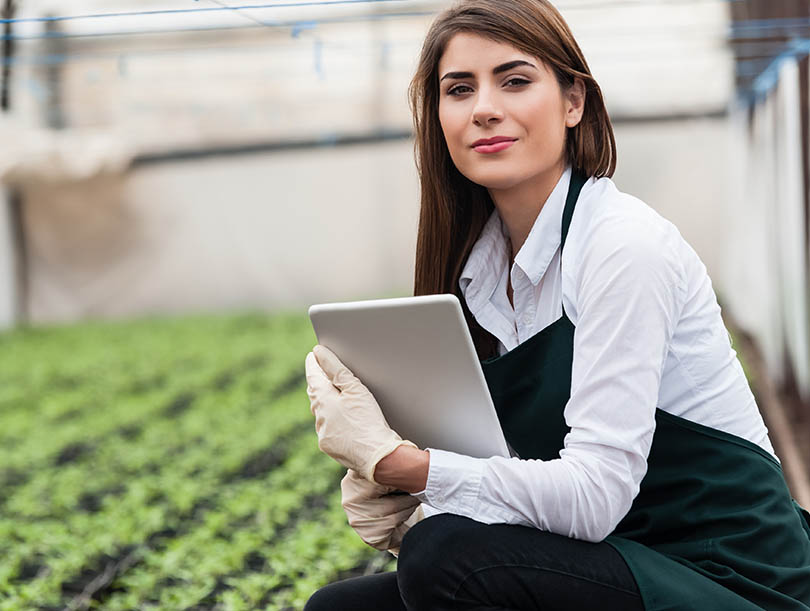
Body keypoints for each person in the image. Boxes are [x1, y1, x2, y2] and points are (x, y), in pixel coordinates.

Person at [303, 0, 810, 609]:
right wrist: (403, 503)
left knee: (446, 558)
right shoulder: (476, 275)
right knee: (341, 606)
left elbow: (593, 499)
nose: (485, 108)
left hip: (731, 579)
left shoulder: (622, 246)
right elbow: (514, 478)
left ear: (575, 103)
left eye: (514, 80)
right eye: (458, 89)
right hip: (619, 560)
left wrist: (407, 466)